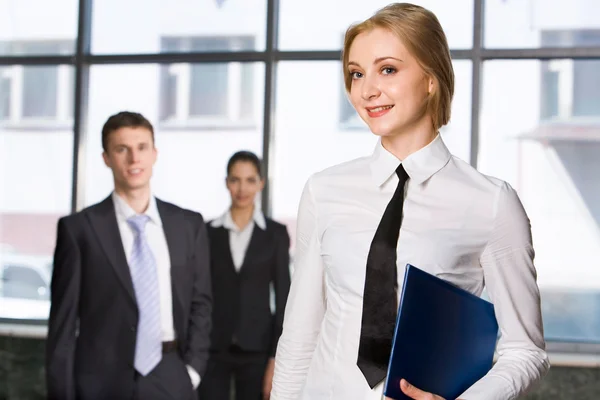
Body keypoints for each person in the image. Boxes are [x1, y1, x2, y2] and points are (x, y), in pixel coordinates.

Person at [270, 3, 549, 400]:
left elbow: (526, 350)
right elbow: (299, 335)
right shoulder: (324, 190)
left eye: (388, 69)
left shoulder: (492, 203)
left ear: (431, 78)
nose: (367, 90)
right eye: (356, 73)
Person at [46, 111, 212, 400]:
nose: (134, 159)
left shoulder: (188, 225)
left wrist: (192, 371)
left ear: (154, 154)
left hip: (171, 375)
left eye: (142, 148)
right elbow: (63, 323)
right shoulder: (79, 230)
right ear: (106, 158)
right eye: (122, 149)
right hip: (99, 381)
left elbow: (201, 302)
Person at [199, 151, 291, 400]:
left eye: (250, 180)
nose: (242, 188)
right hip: (212, 348)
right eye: (235, 180)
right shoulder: (207, 233)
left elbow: (284, 300)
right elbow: (198, 296)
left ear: (261, 183)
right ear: (226, 183)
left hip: (258, 350)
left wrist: (276, 360)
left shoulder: (275, 234)